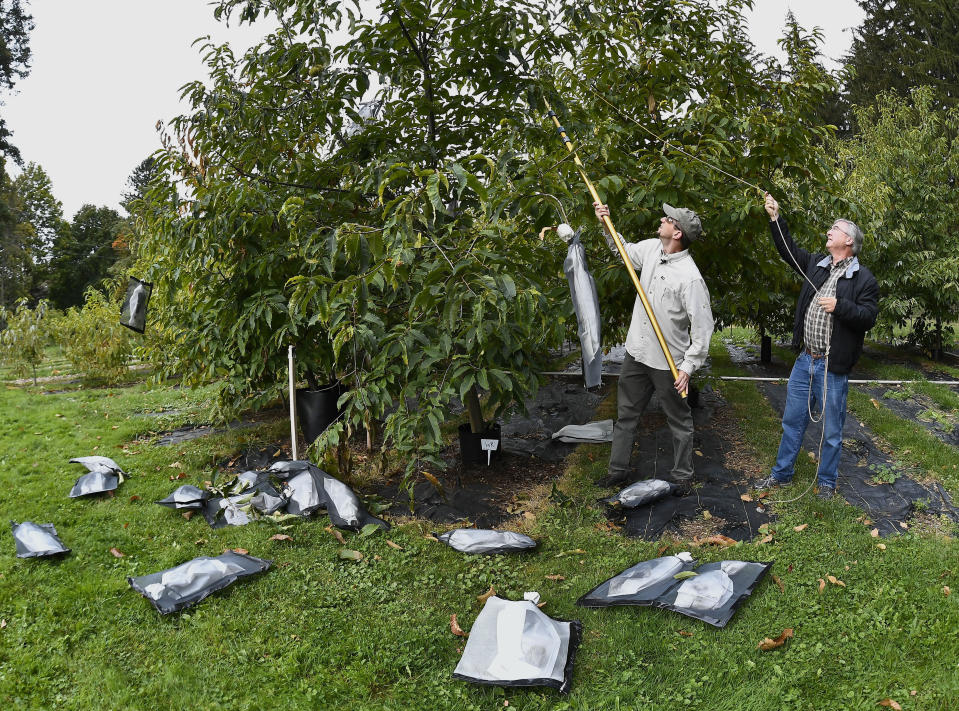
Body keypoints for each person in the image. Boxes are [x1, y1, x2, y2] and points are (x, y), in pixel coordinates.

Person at [754, 194, 879, 499]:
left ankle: (826, 483)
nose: (828, 232)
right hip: (804, 361)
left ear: (848, 240)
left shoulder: (863, 278)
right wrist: (775, 218)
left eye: (834, 229)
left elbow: (868, 316)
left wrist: (840, 306)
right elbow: (789, 252)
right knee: (792, 421)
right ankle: (781, 474)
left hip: (831, 365)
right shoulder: (816, 265)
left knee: (832, 431)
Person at [594, 201, 714, 493]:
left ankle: (683, 475)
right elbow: (622, 250)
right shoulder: (650, 249)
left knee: (679, 420)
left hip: (667, 363)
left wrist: (687, 367)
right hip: (636, 354)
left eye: (669, 218)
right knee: (626, 416)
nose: (662, 218)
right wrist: (605, 223)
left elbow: (703, 329)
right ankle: (617, 472)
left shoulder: (690, 278)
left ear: (678, 233)